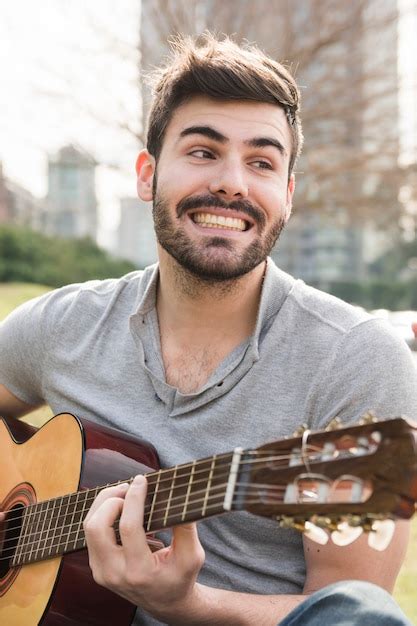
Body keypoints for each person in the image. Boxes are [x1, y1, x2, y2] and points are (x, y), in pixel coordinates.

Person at [1, 34, 417, 625]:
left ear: (288, 195)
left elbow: (347, 609)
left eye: (262, 162)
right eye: (203, 151)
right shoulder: (62, 325)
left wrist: (186, 604)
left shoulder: (357, 359)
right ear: (147, 175)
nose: (233, 184)